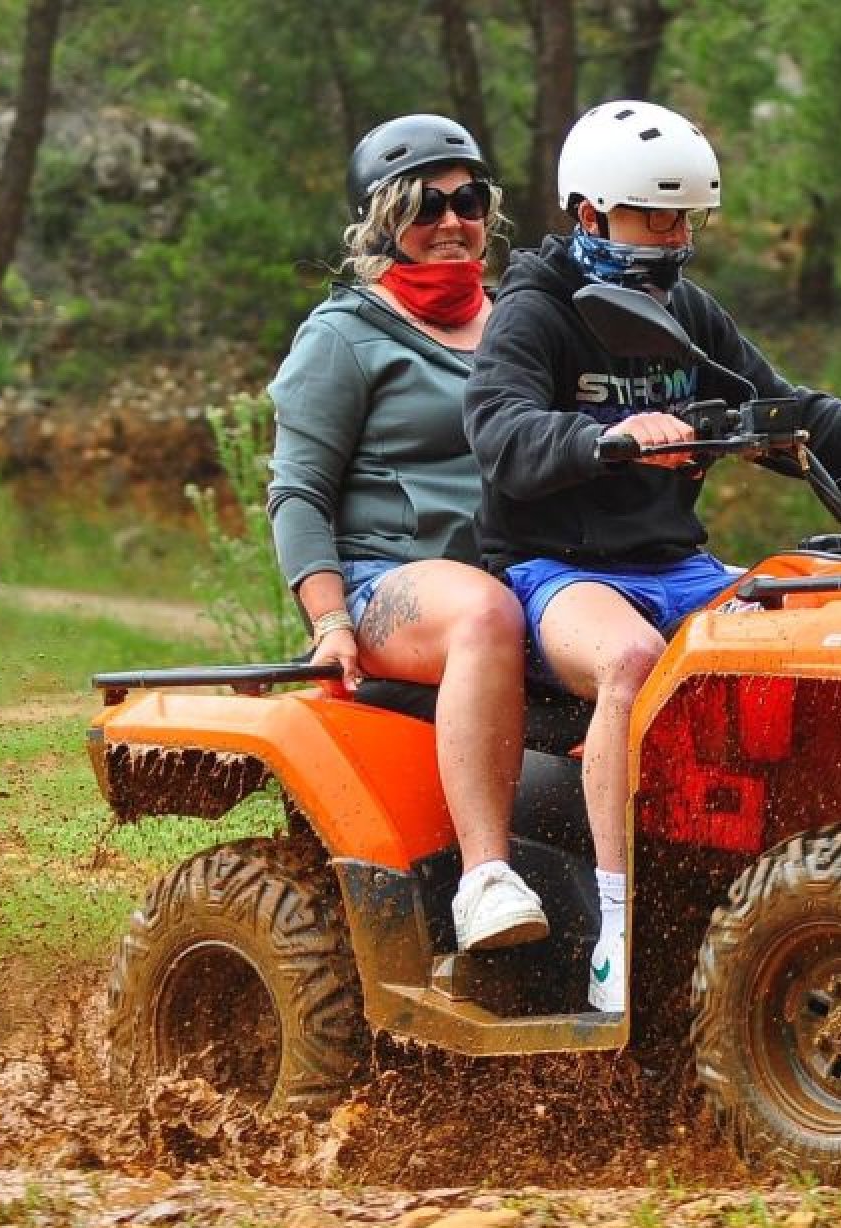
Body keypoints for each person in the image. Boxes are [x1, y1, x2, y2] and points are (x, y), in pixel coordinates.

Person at [463, 100, 841, 1012]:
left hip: (680, 566)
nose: (676, 239)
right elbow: (501, 432)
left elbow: (787, 409)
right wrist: (612, 440)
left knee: (821, 645)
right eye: (655, 219)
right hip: (557, 571)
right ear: (590, 214)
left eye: (685, 221)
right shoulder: (534, 310)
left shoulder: (686, 311)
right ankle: (616, 932)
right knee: (632, 661)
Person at [265, 114, 548, 952]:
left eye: (469, 200)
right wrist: (329, 621)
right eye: (426, 204)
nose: (452, 221)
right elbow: (297, 493)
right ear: (384, 220)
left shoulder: (522, 323)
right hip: (387, 582)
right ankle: (486, 880)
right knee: (485, 612)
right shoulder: (343, 336)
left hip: (525, 570)